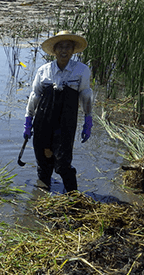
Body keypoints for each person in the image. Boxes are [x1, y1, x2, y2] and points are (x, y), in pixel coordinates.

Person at [23, 31, 94, 192]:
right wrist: (28, 121)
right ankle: (41, 197)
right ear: (54, 51)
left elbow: (85, 95)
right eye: (60, 47)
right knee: (43, 161)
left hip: (66, 121)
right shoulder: (44, 70)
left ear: (73, 50)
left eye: (68, 47)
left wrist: (88, 121)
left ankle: (73, 197)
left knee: (63, 163)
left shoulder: (81, 70)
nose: (64, 50)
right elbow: (35, 96)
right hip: (43, 120)